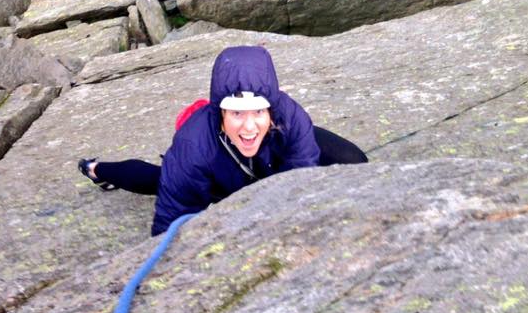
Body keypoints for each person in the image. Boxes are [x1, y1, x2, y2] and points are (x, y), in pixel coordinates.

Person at [78, 45, 367, 235]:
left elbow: (299, 177)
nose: (249, 126)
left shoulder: (291, 118)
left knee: (354, 161)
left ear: (271, 110)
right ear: (220, 113)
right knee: (164, 180)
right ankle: (96, 169)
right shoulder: (193, 147)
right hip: (218, 174)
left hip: (271, 158)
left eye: (258, 112)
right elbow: (172, 218)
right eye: (237, 114)